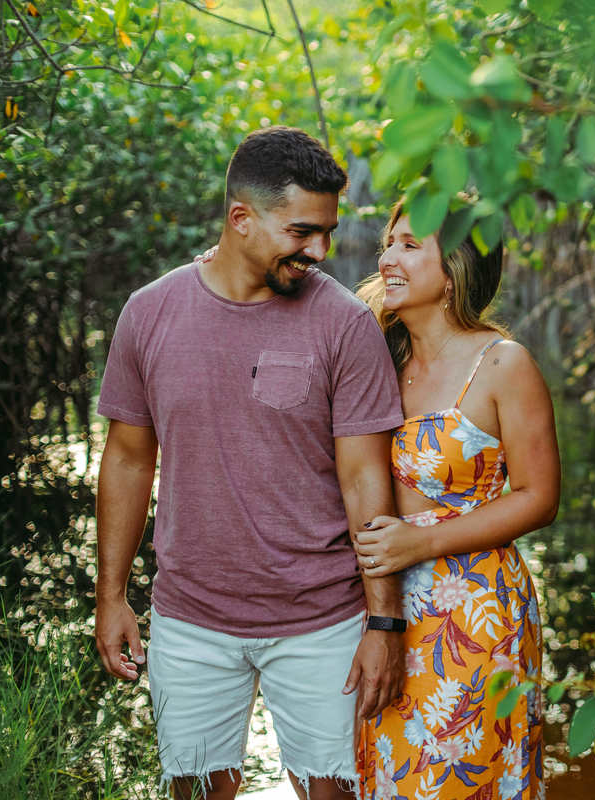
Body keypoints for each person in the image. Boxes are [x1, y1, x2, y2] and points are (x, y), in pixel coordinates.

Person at [94, 126, 407, 800]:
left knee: (332, 793)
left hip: (323, 618)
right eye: (302, 231)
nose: (320, 251)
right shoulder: (149, 314)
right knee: (200, 792)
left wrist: (383, 621)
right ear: (241, 218)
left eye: (326, 231)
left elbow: (364, 481)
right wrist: (111, 594)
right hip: (190, 618)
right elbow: (125, 461)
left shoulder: (345, 324)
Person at [351, 204, 560, 800]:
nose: (387, 257)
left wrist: (423, 540)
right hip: (382, 607)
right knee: (391, 775)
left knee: (464, 781)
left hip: (475, 613)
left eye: (409, 245)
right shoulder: (377, 356)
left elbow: (539, 498)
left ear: (455, 271)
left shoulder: (501, 364)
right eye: (389, 243)